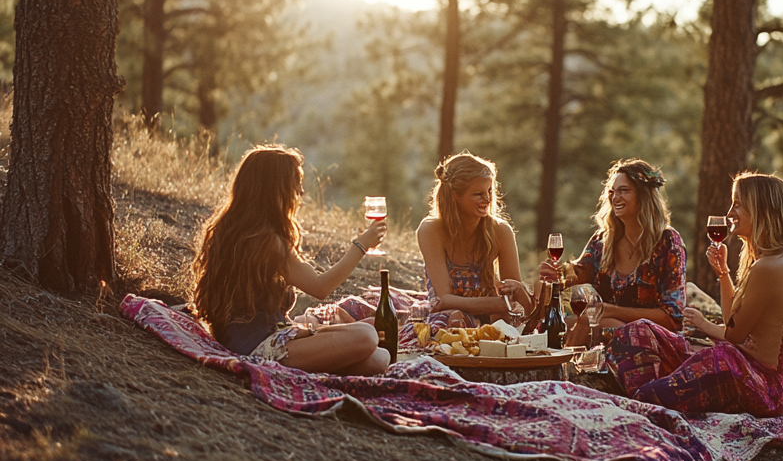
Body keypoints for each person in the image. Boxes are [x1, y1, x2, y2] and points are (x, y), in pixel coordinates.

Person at [607, 171, 783, 417]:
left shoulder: (771, 266)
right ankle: (653, 393)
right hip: (737, 362)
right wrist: (723, 274)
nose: (730, 213)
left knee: (715, 357)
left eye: (738, 205)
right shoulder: (768, 260)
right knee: (637, 331)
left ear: (763, 210)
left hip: (760, 385)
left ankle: (648, 398)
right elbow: (735, 319)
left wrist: (703, 324)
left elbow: (733, 335)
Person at [189, 145, 390, 376]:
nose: (300, 192)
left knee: (379, 358)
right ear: (275, 189)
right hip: (258, 347)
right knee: (366, 336)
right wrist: (360, 245)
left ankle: (319, 359)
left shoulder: (233, 228)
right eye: (295, 183)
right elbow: (320, 287)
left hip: (250, 338)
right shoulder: (267, 241)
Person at [540, 159, 686, 342]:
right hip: (609, 327)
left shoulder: (669, 242)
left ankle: (564, 368)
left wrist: (610, 311)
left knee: (592, 321)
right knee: (572, 321)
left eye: (624, 190)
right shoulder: (603, 241)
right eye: (612, 191)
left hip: (656, 339)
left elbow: (672, 319)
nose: (615, 197)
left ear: (644, 196)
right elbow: (576, 273)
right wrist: (556, 274)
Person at [417, 152, 533, 327]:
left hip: (492, 318)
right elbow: (444, 299)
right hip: (447, 318)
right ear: (455, 195)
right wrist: (497, 304)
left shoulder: (501, 231)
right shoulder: (431, 230)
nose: (487, 199)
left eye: (489, 191)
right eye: (478, 193)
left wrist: (514, 292)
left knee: (506, 324)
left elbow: (516, 296)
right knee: (454, 319)